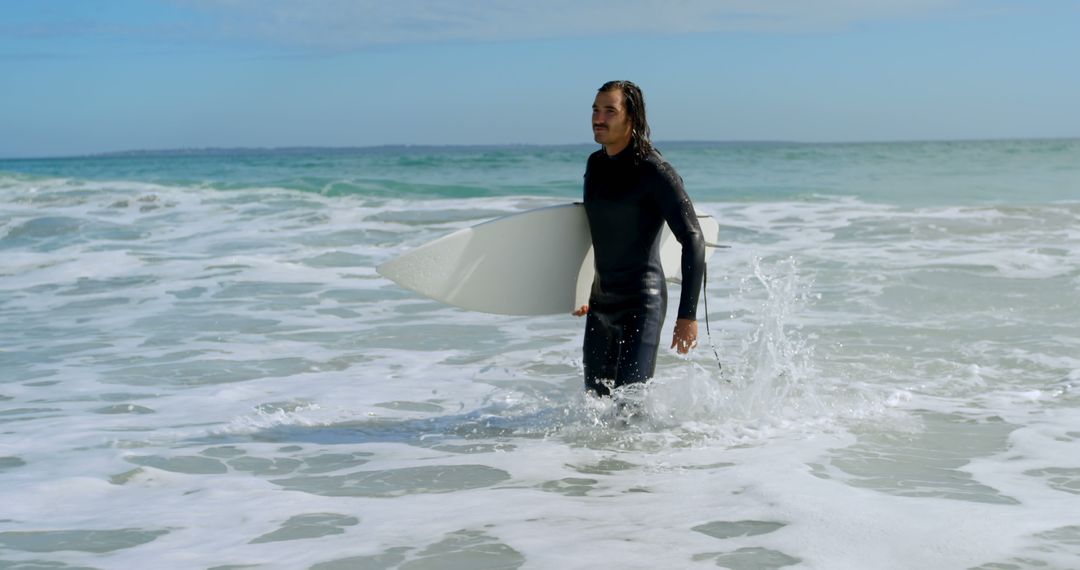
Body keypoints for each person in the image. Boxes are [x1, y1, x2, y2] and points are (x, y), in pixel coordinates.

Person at [573, 80, 706, 397]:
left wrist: (687, 316)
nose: (598, 118)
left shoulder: (654, 171)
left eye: (609, 111)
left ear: (631, 119)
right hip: (601, 303)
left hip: (641, 304)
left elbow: (693, 239)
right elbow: (597, 232)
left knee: (630, 410)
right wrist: (580, 290)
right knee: (595, 405)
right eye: (595, 109)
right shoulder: (595, 165)